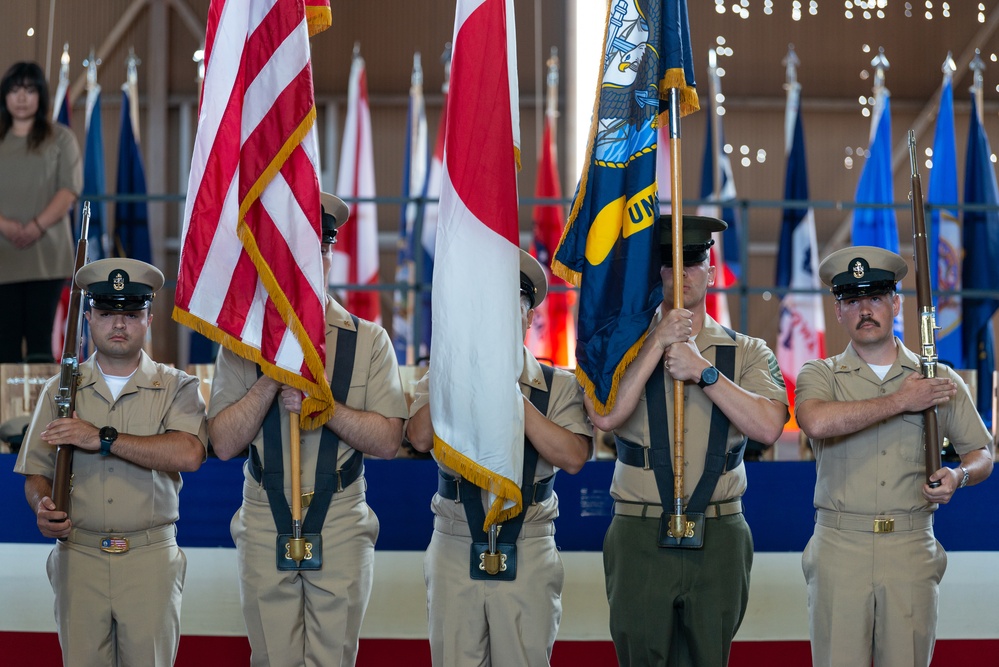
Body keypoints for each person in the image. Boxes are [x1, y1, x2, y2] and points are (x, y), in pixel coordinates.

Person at [207, 192, 409, 667]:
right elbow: (222, 442)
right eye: (290, 247)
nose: (303, 259)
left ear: (329, 253)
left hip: (338, 514)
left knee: (333, 659)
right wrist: (270, 381)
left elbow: (387, 441)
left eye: (315, 248)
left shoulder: (369, 340)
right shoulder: (241, 343)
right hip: (263, 511)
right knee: (271, 658)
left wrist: (327, 408)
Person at [585, 215, 789, 666]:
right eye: (668, 263)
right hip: (639, 529)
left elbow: (769, 426)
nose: (681, 274)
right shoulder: (621, 349)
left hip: (719, 531)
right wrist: (656, 342)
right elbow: (605, 415)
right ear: (652, 272)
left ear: (712, 272)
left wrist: (704, 371)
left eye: (693, 262)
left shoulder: (747, 352)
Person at [796, 246, 994, 667]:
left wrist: (959, 477)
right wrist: (903, 401)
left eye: (875, 298)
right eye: (852, 301)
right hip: (839, 546)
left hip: (910, 546)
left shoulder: (937, 378)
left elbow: (982, 453)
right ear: (838, 312)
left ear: (896, 304)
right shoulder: (821, 374)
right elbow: (815, 422)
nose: (864, 310)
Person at [13, 258, 208, 666]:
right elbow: (36, 473)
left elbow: (188, 454)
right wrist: (42, 505)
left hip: (149, 558)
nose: (118, 324)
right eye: (106, 313)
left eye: (131, 314)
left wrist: (100, 438)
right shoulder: (59, 390)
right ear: (87, 318)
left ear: (149, 318)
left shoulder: (178, 387)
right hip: (78, 556)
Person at [406, 249, 593, 667]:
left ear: (528, 319)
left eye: (508, 308)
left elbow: (574, 456)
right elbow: (418, 437)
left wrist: (513, 395)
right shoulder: (444, 372)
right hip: (455, 540)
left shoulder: (554, 385)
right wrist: (459, 371)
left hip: (528, 543)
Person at [0, 61, 82, 363]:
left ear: (41, 96)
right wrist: (5, 226)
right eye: (15, 89)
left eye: (30, 89)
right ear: (5, 95)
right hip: (2, 255)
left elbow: (68, 190)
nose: (22, 97)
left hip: (46, 256)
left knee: (39, 345)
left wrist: (36, 226)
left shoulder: (61, 138)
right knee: (3, 346)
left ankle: (40, 410)